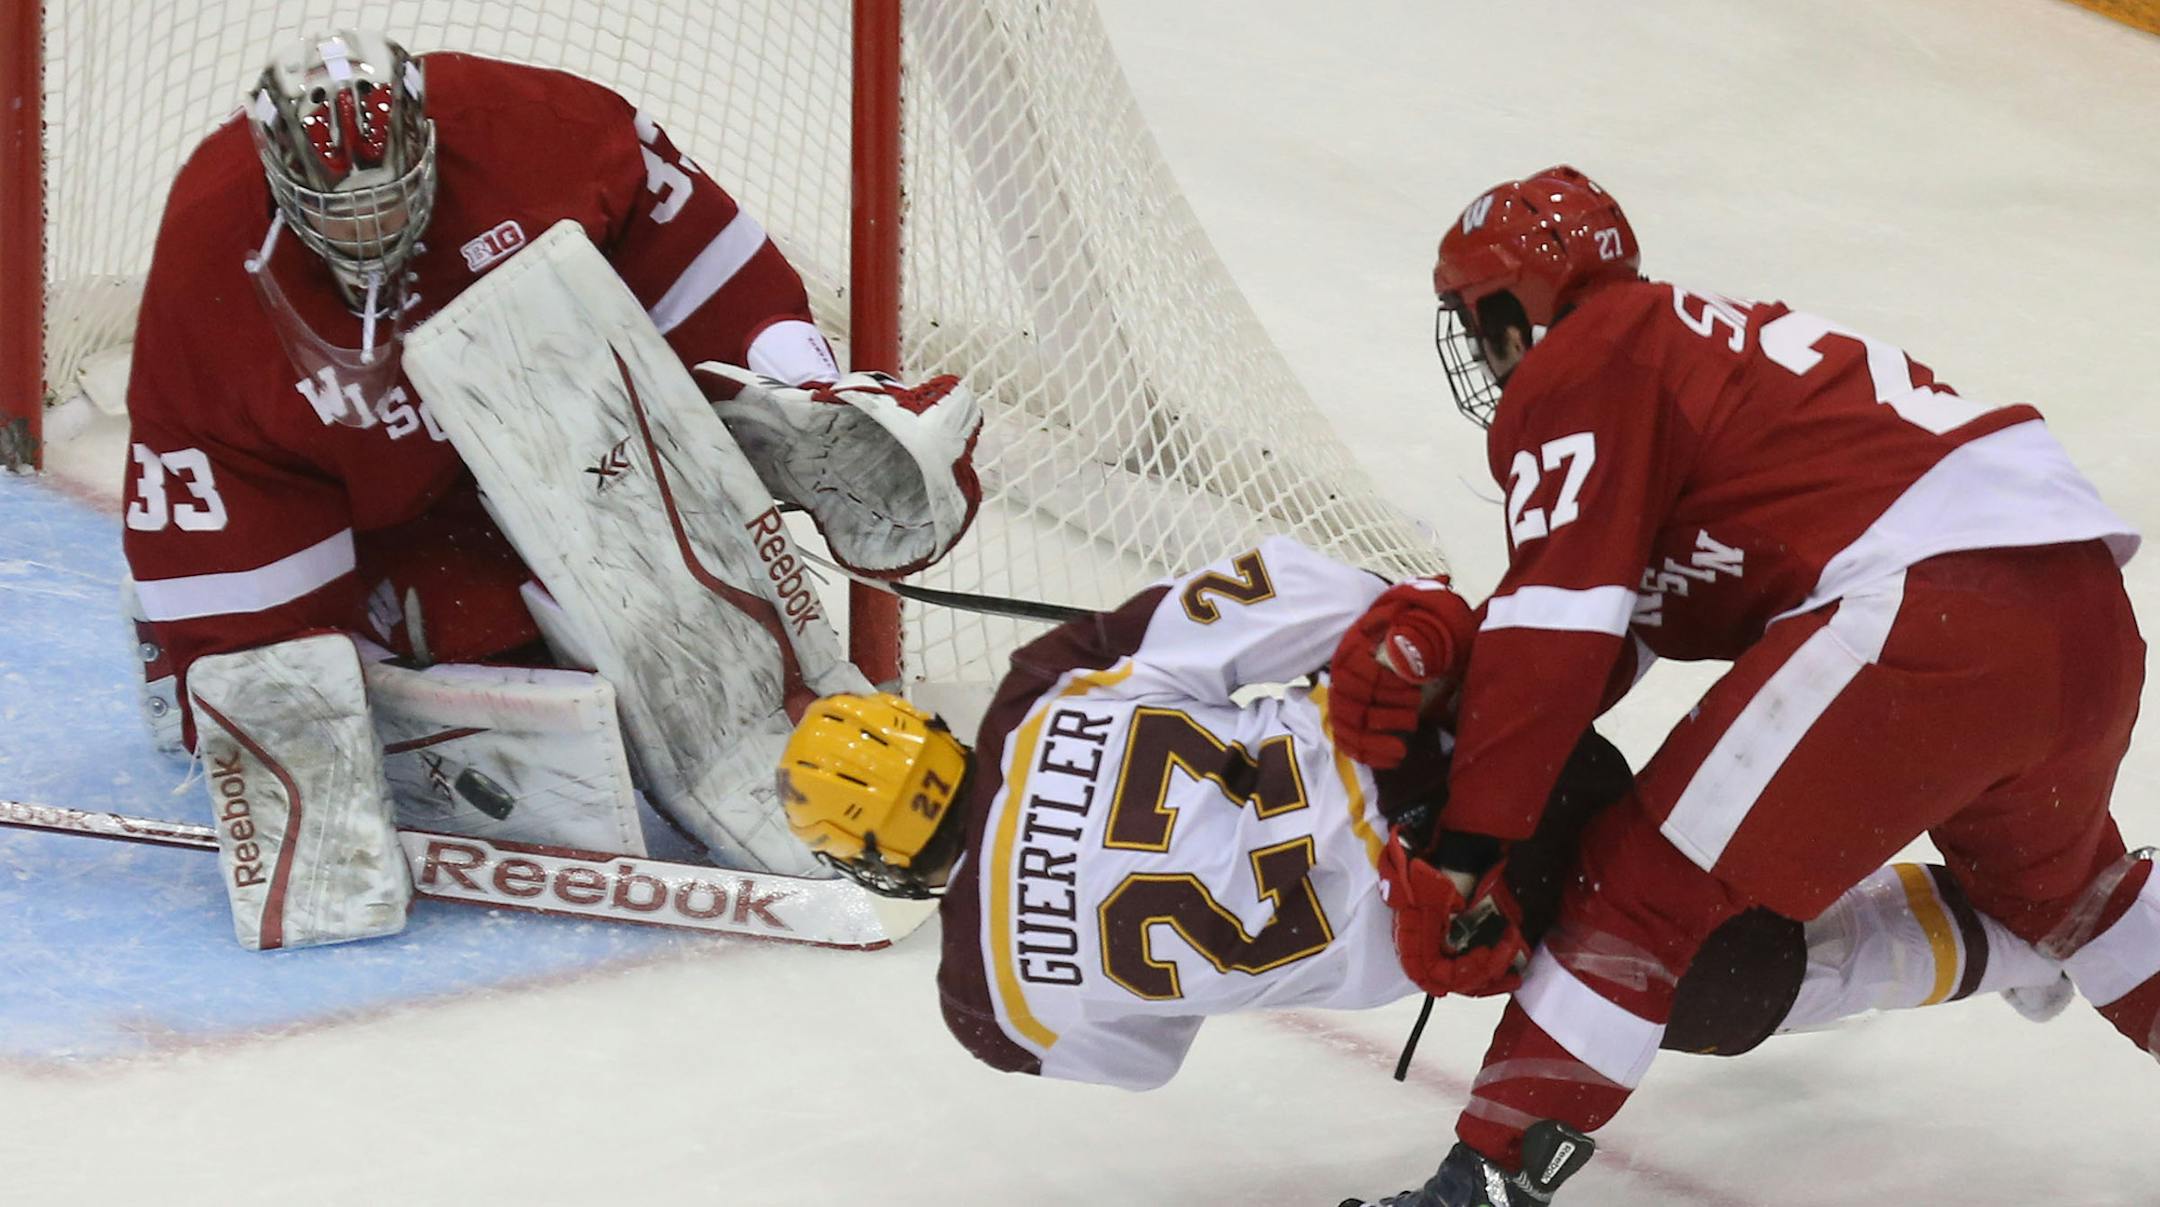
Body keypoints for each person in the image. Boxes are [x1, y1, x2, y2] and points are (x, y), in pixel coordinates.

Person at [1321, 165, 2160, 1204]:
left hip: (1937, 609)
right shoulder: (1685, 355)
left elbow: (1564, 626)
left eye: (1481, 321)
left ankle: (1479, 1189)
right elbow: (1608, 627)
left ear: (1511, 313)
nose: (1488, 355)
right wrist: (1469, 695)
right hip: (2081, 611)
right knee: (2071, 895)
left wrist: (1460, 854)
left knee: (1635, 889)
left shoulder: (1587, 358)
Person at [775, 537, 2076, 1201]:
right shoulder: (1062, 694)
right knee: (1706, 877)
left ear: (882, 864)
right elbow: (1298, 587)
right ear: (934, 732)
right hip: (1501, 765)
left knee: (1729, 984)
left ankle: (2043, 917)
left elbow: (1149, 1054)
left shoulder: (1004, 994)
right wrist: (1408, 639)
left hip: (1479, 904)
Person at [120, 31, 981, 948]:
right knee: (528, 702)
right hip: (394, 535)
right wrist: (245, 679)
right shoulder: (212, 256)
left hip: (581, 454)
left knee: (655, 592)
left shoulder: (537, 130)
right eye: (340, 214)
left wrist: (798, 380)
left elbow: (698, 259)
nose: (369, 234)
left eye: (389, 200)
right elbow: (219, 484)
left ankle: (799, 714)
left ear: (429, 145)